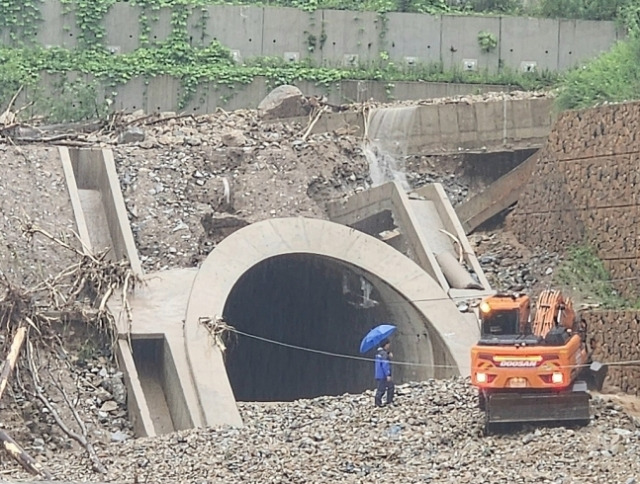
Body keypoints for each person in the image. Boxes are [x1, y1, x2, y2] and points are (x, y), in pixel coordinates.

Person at [374, 339, 394, 407]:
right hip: (383, 375)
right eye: (388, 344)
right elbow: (385, 364)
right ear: (385, 344)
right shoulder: (383, 354)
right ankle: (381, 402)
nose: (389, 346)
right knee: (384, 388)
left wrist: (388, 354)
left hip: (379, 374)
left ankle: (379, 402)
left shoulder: (379, 353)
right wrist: (388, 374)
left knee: (383, 388)